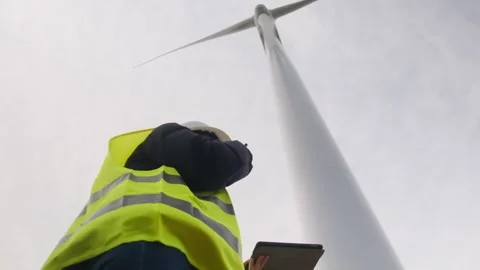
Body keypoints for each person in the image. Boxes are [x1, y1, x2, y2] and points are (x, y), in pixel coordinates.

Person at [41, 121, 268, 270]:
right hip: (148, 246)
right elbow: (212, 163)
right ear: (201, 137)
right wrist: (242, 153)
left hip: (111, 252)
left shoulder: (194, 186)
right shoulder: (167, 137)